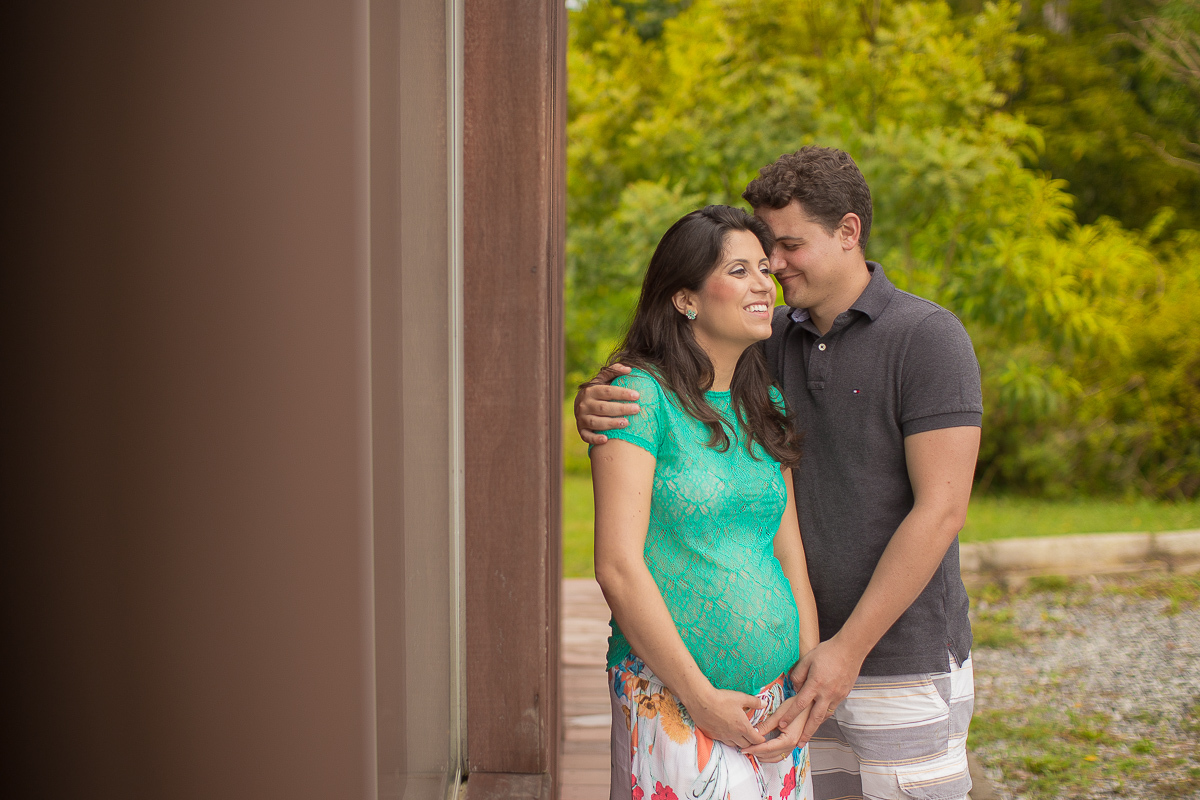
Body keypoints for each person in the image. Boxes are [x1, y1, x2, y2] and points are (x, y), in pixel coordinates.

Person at [577, 147, 983, 800]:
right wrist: (593, 398)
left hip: (892, 659)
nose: (775, 273)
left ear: (848, 232)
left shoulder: (924, 337)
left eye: (784, 251)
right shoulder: (769, 344)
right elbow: (671, 370)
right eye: (760, 260)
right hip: (783, 680)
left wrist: (842, 651)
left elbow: (941, 511)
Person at [590, 205, 820, 800]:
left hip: (774, 702)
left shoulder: (763, 401)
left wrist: (806, 678)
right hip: (675, 697)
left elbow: (787, 548)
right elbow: (617, 565)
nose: (763, 284)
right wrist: (701, 699)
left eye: (764, 270)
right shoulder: (638, 398)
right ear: (685, 298)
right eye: (739, 270)